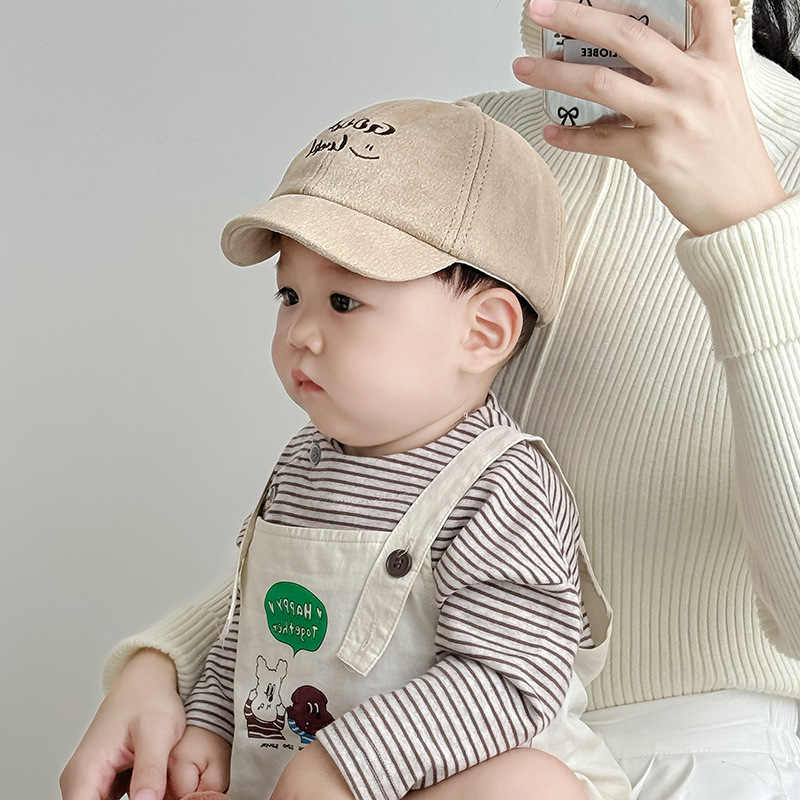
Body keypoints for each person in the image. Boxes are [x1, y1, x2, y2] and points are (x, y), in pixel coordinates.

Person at [60, 0, 800, 798]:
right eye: (289, 299)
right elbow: (382, 512)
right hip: (375, 740)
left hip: (670, 760)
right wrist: (168, 664)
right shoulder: (473, 147)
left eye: (342, 302)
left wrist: (749, 226)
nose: (304, 330)